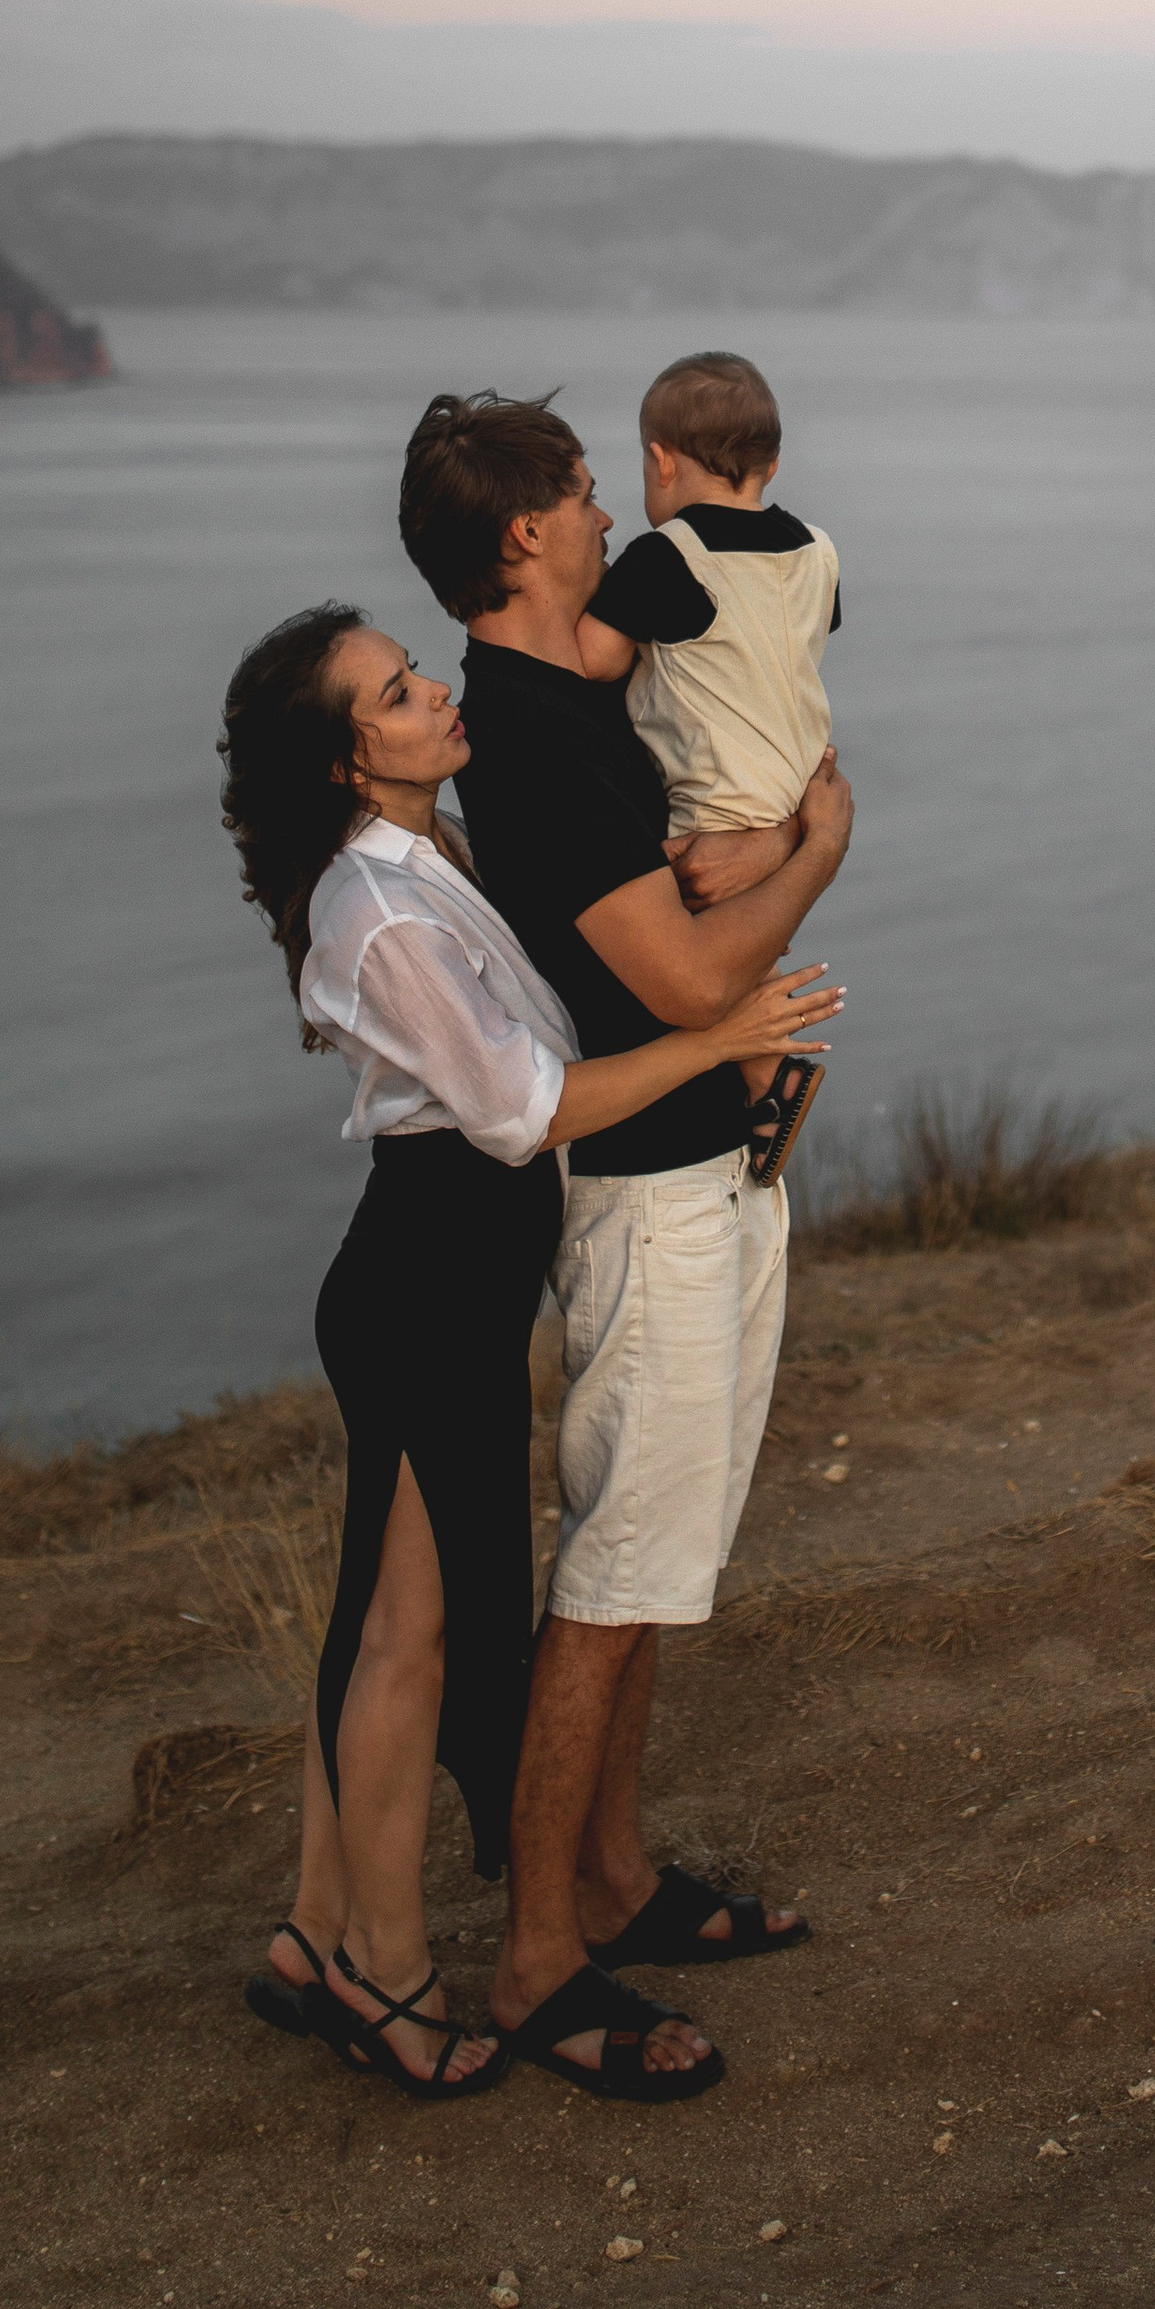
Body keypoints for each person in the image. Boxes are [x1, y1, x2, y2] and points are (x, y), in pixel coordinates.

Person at [218, 597, 839, 2105]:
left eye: (416, 674)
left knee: (381, 1625)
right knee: (413, 1642)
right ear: (345, 761)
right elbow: (521, 1109)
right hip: (431, 1277)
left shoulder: (425, 855)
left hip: (455, 1274)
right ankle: (385, 1976)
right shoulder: (381, 910)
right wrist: (710, 1039)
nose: (434, 693)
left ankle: (313, 1934)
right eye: (394, 694)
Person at [396, 392, 852, 2094]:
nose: (614, 516)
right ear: (526, 535)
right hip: (647, 1200)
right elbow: (688, 975)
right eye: (588, 494)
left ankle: (615, 1877)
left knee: (655, 1559)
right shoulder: (525, 736)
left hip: (708, 1166)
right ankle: (535, 1962)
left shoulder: (580, 689)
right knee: (607, 1582)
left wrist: (757, 846)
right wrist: (820, 847)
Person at [576, 347, 841, 1179]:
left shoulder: (668, 556)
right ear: (772, 462)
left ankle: (765, 1070)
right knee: (747, 939)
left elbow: (594, 659)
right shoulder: (816, 549)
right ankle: (765, 1075)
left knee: (687, 948)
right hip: (790, 782)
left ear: (661, 462)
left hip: (719, 793)